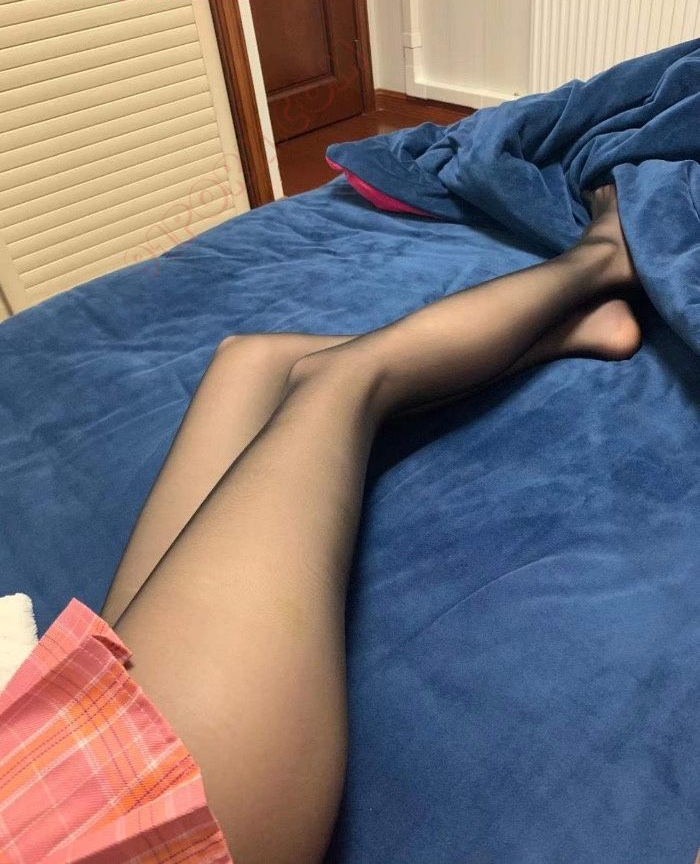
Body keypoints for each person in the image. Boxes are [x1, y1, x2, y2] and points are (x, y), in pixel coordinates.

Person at [0, 185, 641, 862]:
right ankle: (601, 257)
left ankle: (566, 333)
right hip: (86, 831)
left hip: (34, 758)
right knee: (342, 379)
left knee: (250, 360)